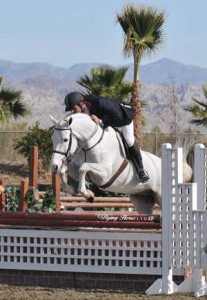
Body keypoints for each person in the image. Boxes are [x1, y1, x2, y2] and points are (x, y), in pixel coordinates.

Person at [64, 91, 149, 183]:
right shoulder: (84, 111)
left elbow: (117, 117)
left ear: (81, 103)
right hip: (109, 120)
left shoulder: (99, 102)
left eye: (73, 108)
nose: (73, 111)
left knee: (129, 140)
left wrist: (100, 121)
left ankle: (141, 170)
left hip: (123, 116)